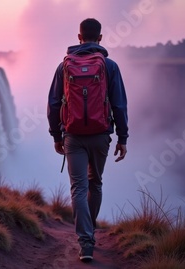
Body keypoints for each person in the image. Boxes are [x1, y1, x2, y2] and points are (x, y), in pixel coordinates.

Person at [47, 18, 129, 262]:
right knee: (96, 183)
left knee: (78, 188)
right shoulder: (110, 66)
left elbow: (53, 105)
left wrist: (56, 136)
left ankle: (85, 242)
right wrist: (122, 138)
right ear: (100, 38)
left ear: (79, 37)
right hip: (101, 134)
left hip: (73, 135)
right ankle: (89, 231)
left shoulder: (64, 67)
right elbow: (119, 105)